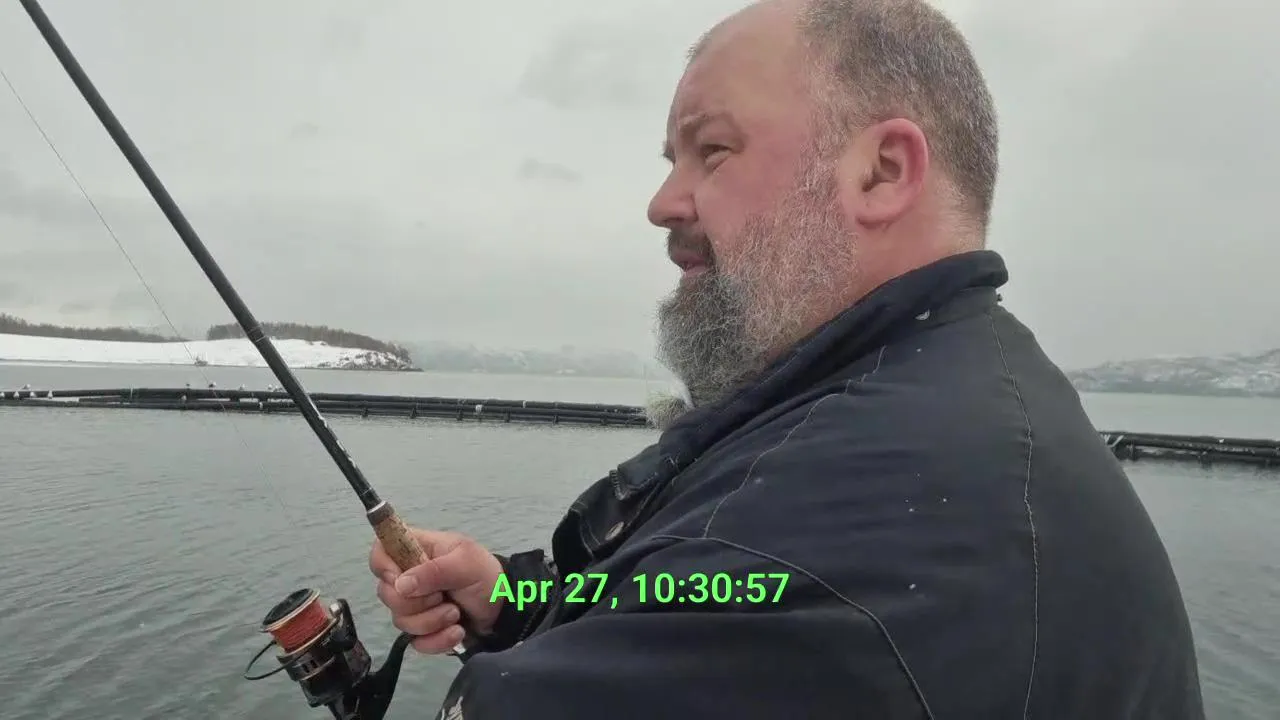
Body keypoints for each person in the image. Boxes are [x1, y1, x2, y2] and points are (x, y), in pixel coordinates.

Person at [370, 0, 1207, 716]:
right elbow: (703, 590)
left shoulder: (856, 525)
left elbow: (752, 589)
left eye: (713, 150)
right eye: (671, 161)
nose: (662, 203)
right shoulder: (923, 401)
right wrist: (513, 601)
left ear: (882, 173)